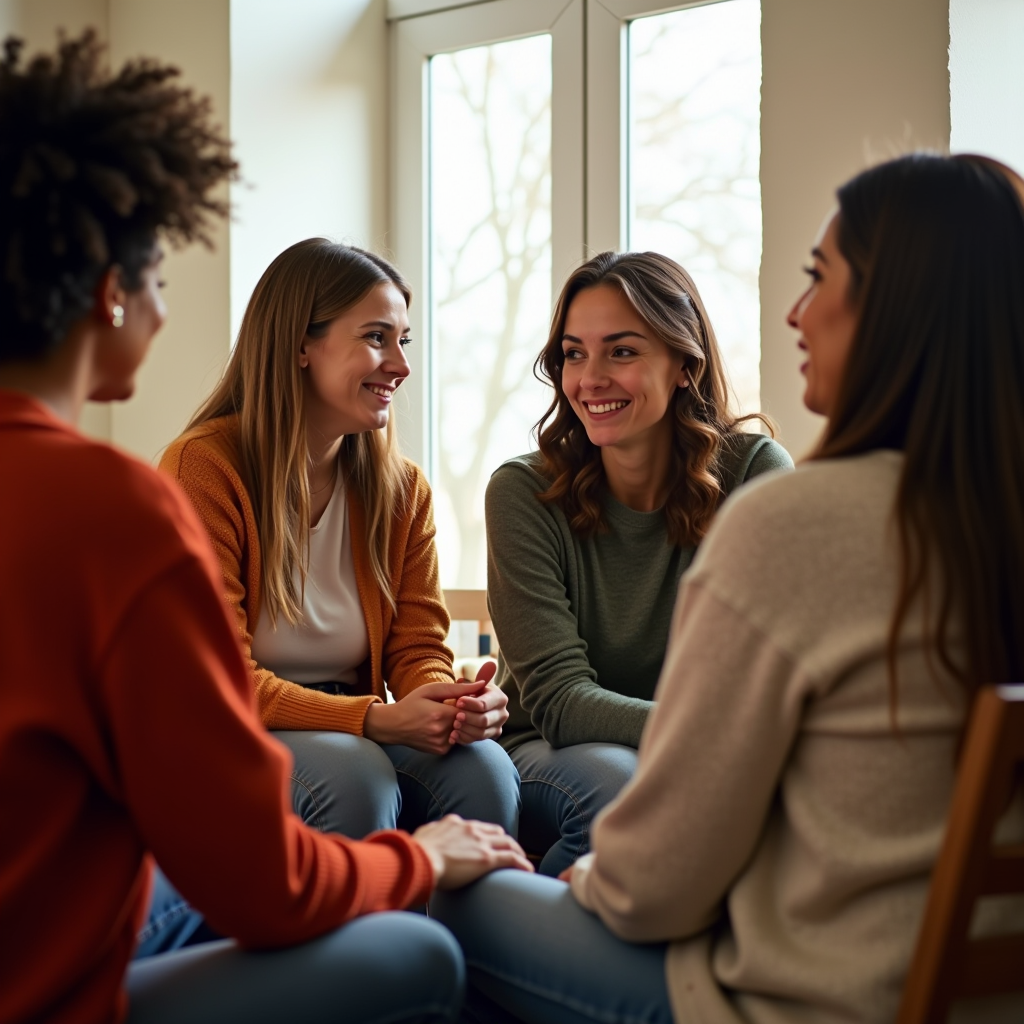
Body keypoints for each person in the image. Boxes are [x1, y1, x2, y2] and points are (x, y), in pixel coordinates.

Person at [0, 31, 530, 1024]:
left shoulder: (394, 486)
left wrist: (432, 701)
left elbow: (413, 644)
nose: (163, 309)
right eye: (160, 275)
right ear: (111, 293)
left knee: (470, 774)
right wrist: (415, 857)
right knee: (412, 950)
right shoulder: (127, 504)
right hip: (54, 992)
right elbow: (263, 883)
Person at [433, 152, 1024, 1023]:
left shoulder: (795, 517)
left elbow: (656, 891)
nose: (795, 311)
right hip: (965, 989)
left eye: (821, 277)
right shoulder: (985, 512)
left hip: (793, 994)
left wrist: (594, 876)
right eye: (572, 355)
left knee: (435, 907)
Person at [159, 239, 520, 844]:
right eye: (376, 337)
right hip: (231, 730)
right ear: (300, 344)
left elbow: (415, 647)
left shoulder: (402, 490)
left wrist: (445, 700)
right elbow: (218, 678)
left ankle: (456, 941)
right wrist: (374, 719)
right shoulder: (203, 468)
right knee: (352, 779)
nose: (401, 366)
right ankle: (360, 940)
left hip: (355, 723)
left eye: (403, 341)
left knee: (484, 771)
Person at [486, 251, 792, 874]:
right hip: (551, 748)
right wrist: (715, 735)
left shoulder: (756, 474)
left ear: (684, 364)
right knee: (620, 785)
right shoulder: (522, 492)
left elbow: (767, 670)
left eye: (621, 351)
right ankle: (530, 949)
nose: (589, 378)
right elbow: (562, 701)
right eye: (574, 353)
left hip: (700, 751)